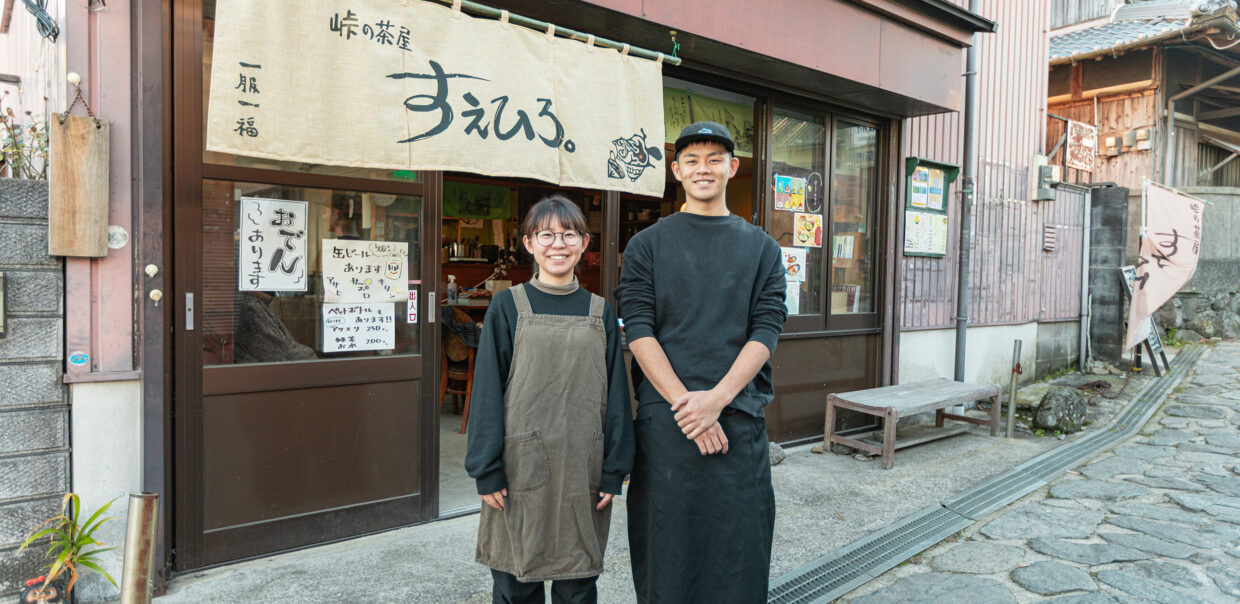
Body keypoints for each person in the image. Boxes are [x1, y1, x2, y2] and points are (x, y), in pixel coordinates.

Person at [615, 121, 787, 603]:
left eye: (715, 158)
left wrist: (717, 400)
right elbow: (639, 328)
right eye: (691, 160)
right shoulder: (648, 244)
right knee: (666, 543)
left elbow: (767, 329)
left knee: (739, 546)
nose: (703, 168)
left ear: (733, 168)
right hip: (667, 422)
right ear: (676, 171)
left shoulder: (762, 248)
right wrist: (690, 407)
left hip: (737, 416)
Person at [465, 195, 635, 604]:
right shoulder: (507, 305)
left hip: (584, 468)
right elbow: (487, 390)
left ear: (584, 243)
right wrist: (485, 469)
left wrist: (615, 469)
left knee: (578, 582)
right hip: (517, 467)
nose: (557, 245)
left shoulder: (601, 312)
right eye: (546, 235)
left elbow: (617, 397)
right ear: (528, 243)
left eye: (568, 235)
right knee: (514, 581)